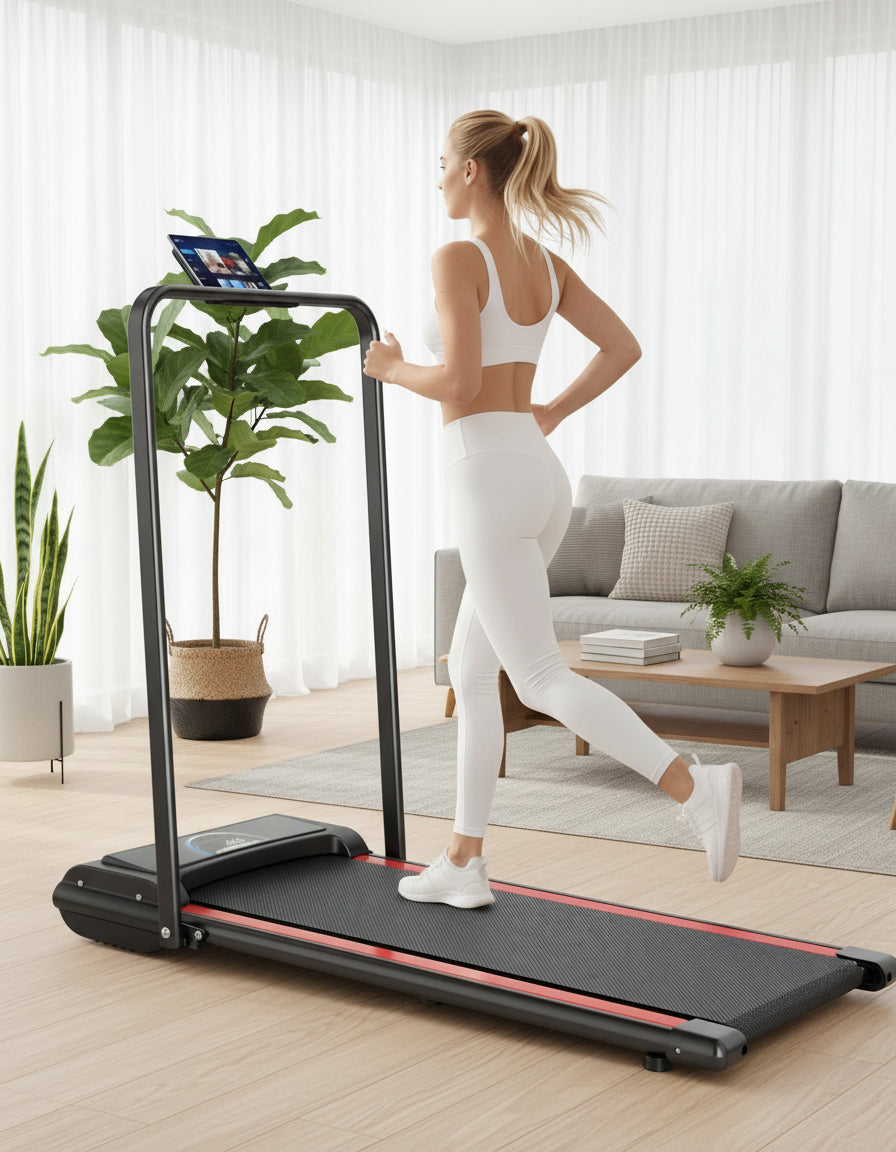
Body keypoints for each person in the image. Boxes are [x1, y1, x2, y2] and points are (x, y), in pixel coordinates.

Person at [363, 110, 742, 908]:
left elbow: (461, 384)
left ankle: (695, 788)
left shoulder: (457, 256)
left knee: (534, 675)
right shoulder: (544, 262)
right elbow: (623, 345)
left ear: (472, 170)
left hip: (485, 472)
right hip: (538, 473)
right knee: (472, 671)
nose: (436, 178)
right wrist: (555, 410)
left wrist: (394, 369)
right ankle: (463, 861)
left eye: (441, 164)